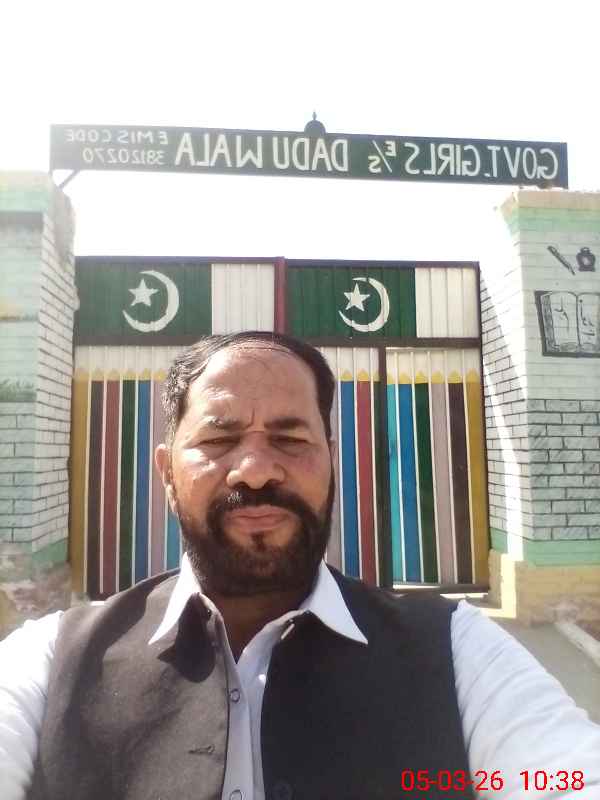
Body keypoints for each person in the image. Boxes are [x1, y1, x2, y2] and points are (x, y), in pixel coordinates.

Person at [1, 330, 599, 800]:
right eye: (219, 441)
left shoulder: (458, 650)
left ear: (331, 461)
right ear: (166, 473)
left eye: (290, 439)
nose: (257, 471)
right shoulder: (52, 660)